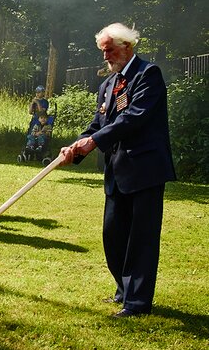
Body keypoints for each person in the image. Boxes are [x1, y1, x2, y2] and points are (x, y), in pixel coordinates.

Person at [59, 23, 175, 318]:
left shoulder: (148, 75)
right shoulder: (108, 85)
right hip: (116, 171)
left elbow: (134, 118)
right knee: (113, 236)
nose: (106, 56)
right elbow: (98, 124)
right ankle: (124, 291)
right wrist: (75, 147)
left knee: (141, 239)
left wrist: (94, 141)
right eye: (103, 51)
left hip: (145, 170)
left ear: (128, 47)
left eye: (110, 50)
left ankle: (137, 303)